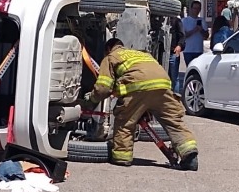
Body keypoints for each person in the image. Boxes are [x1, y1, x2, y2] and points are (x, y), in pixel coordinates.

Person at [83, 38, 199, 170]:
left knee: (125, 122)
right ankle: (190, 156)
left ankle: (122, 157)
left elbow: (103, 87)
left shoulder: (111, 57)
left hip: (137, 89)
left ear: (109, 49)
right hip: (163, 85)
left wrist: (91, 100)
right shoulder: (142, 54)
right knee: (174, 122)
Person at [181, 0, 209, 66]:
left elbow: (206, 36)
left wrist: (201, 30)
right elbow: (183, 36)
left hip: (199, 50)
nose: (196, 10)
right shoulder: (185, 21)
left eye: (198, 8)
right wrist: (194, 30)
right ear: (191, 9)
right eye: (195, 8)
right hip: (188, 50)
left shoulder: (202, 21)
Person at [168, 15, 185, 93]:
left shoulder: (176, 21)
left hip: (173, 53)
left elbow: (182, 36)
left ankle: (176, 98)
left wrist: (179, 45)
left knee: (175, 78)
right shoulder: (160, 20)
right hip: (163, 53)